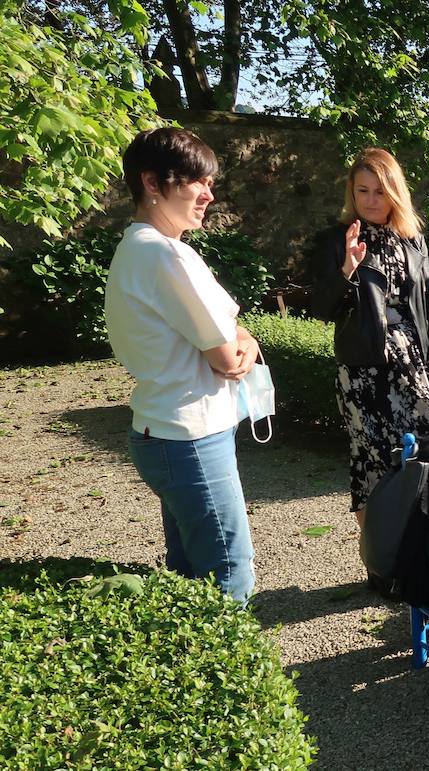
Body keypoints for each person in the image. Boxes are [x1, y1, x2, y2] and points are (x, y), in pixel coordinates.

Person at [105, 127, 258, 603]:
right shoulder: (165, 255)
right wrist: (243, 344)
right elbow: (231, 356)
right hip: (190, 435)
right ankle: (227, 672)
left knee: (191, 569)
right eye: (197, 182)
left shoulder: (139, 248)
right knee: (230, 573)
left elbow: (231, 337)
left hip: (164, 430)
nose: (209, 194)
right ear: (153, 183)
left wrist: (239, 340)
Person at [311, 147, 429, 519]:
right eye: (362, 191)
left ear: (395, 191)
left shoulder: (412, 240)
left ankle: (427, 550)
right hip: (364, 369)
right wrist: (347, 269)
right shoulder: (334, 240)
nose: (371, 200)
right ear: (352, 192)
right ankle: (380, 567)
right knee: (374, 463)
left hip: (412, 364)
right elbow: (321, 310)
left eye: (380, 191)